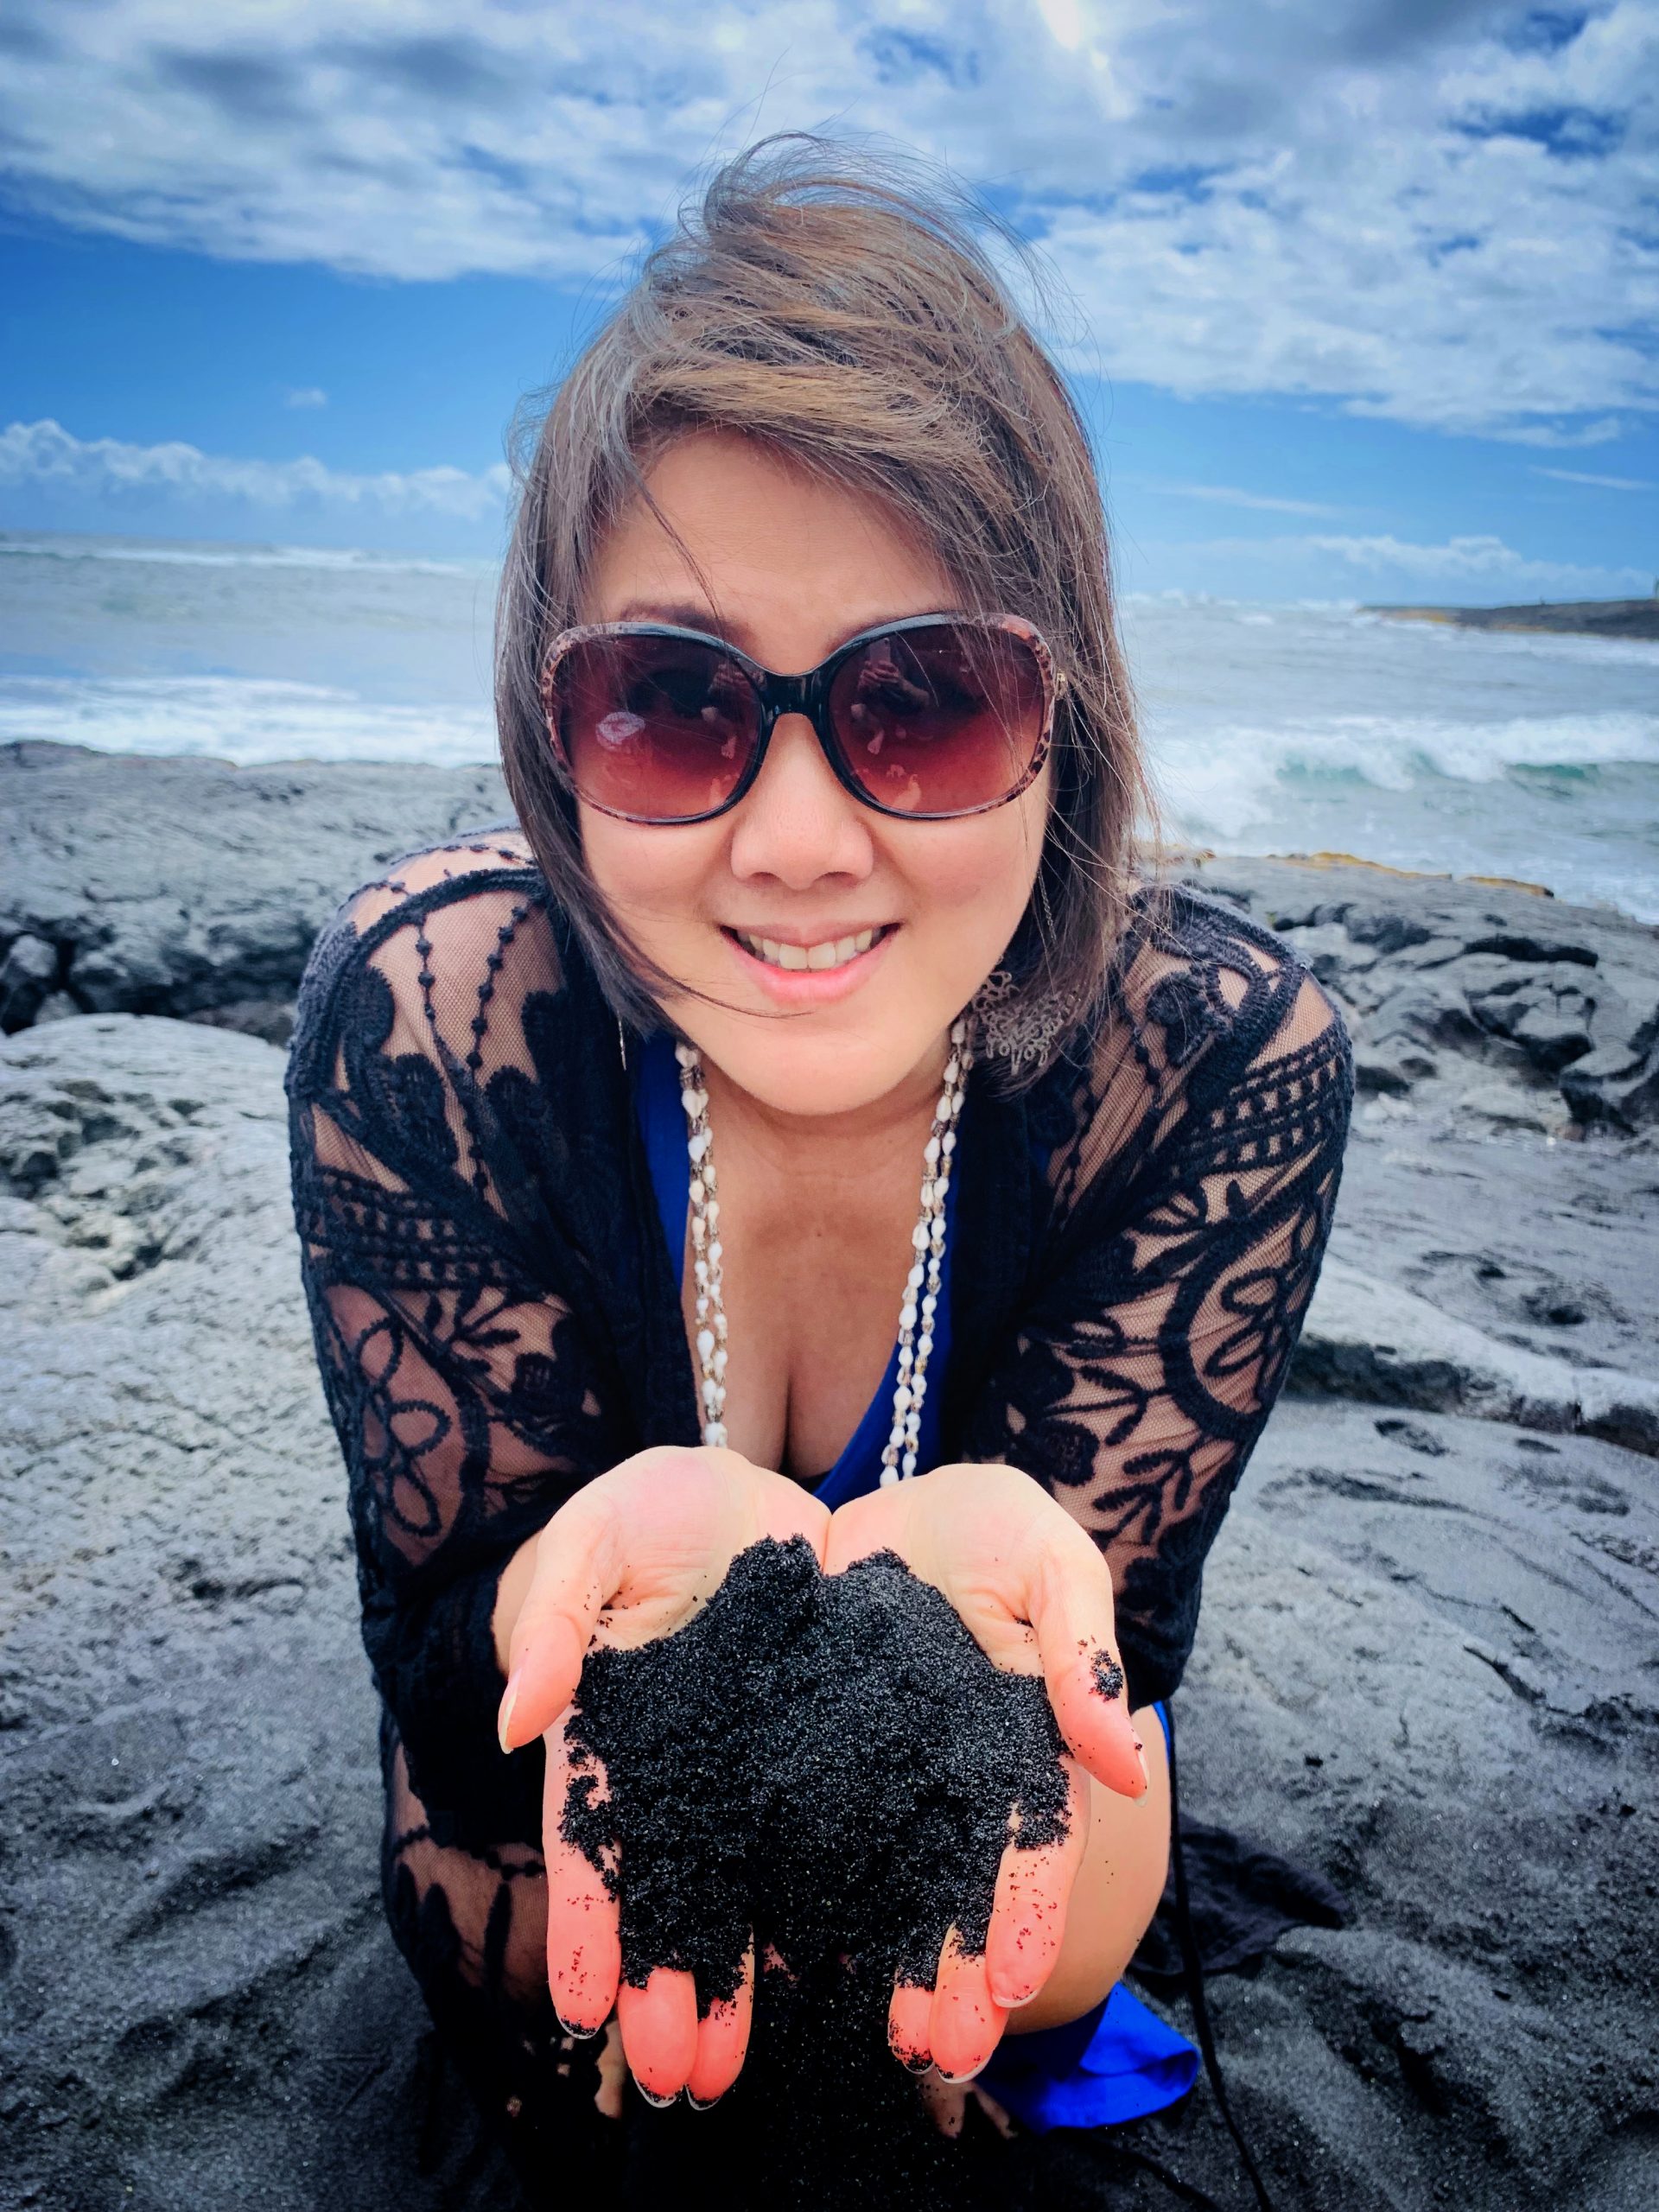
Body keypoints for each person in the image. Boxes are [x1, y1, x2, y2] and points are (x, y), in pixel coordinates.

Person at [287, 136, 1351, 2196]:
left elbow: (1105, 1733)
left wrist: (986, 1650)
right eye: (672, 705)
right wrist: (611, 1582)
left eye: (924, 698)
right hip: (537, 1911)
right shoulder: (430, 1020)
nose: (792, 838)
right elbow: (446, 1682)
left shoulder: (1218, 1065)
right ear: (551, 729)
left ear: (1069, 718)